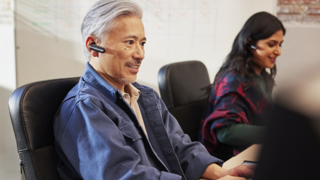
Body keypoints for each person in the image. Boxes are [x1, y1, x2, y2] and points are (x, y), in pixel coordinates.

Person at [53, 0, 254, 179]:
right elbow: (123, 175)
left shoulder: (145, 96)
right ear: (93, 45)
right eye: (129, 42)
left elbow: (180, 148)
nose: (140, 54)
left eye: (142, 43)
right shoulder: (86, 108)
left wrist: (222, 173)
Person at [199, 11, 286, 161]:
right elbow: (225, 131)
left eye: (280, 44)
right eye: (271, 44)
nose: (278, 51)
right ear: (250, 43)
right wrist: (275, 133)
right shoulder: (234, 80)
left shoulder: (261, 75)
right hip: (228, 159)